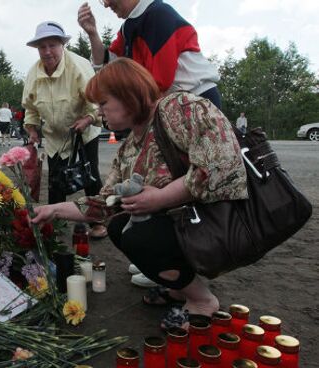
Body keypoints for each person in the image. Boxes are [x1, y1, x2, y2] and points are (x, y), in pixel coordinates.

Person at [32, 58, 248, 329]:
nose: (99, 113)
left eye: (103, 103)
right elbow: (104, 203)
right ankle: (181, 287)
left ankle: (203, 301)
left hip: (224, 221)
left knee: (139, 236)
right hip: (190, 223)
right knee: (119, 225)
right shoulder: (130, 146)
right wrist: (53, 209)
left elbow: (221, 164)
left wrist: (160, 198)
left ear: (127, 96)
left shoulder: (179, 108)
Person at [22, 21, 106, 237]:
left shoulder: (78, 66)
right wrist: (32, 130)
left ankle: (97, 222)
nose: (47, 51)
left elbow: (96, 101)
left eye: (52, 45)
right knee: (56, 178)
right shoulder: (33, 73)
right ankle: (54, 223)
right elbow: (30, 108)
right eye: (42, 47)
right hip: (54, 136)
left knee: (90, 175)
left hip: (83, 131)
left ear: (62, 45)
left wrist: (88, 119)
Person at [77, 0, 221, 108]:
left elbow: (159, 81)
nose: (107, 4)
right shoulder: (129, 26)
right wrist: (92, 33)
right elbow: (106, 64)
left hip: (197, 101)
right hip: (170, 103)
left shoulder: (159, 14)